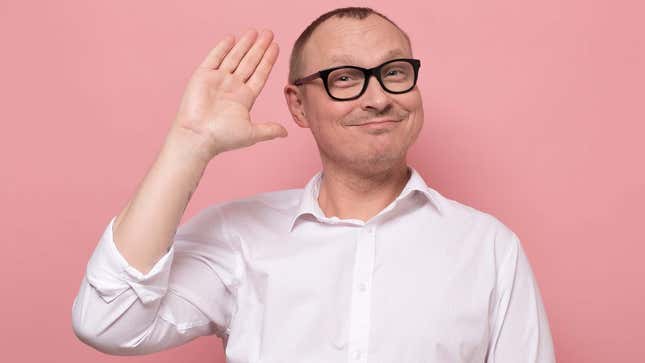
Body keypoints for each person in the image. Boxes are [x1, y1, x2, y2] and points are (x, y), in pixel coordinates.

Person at [71, 6, 556, 363]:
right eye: (345, 78)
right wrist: (190, 143)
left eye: (393, 72)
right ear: (298, 105)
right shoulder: (240, 235)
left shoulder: (489, 247)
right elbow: (109, 322)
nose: (378, 98)